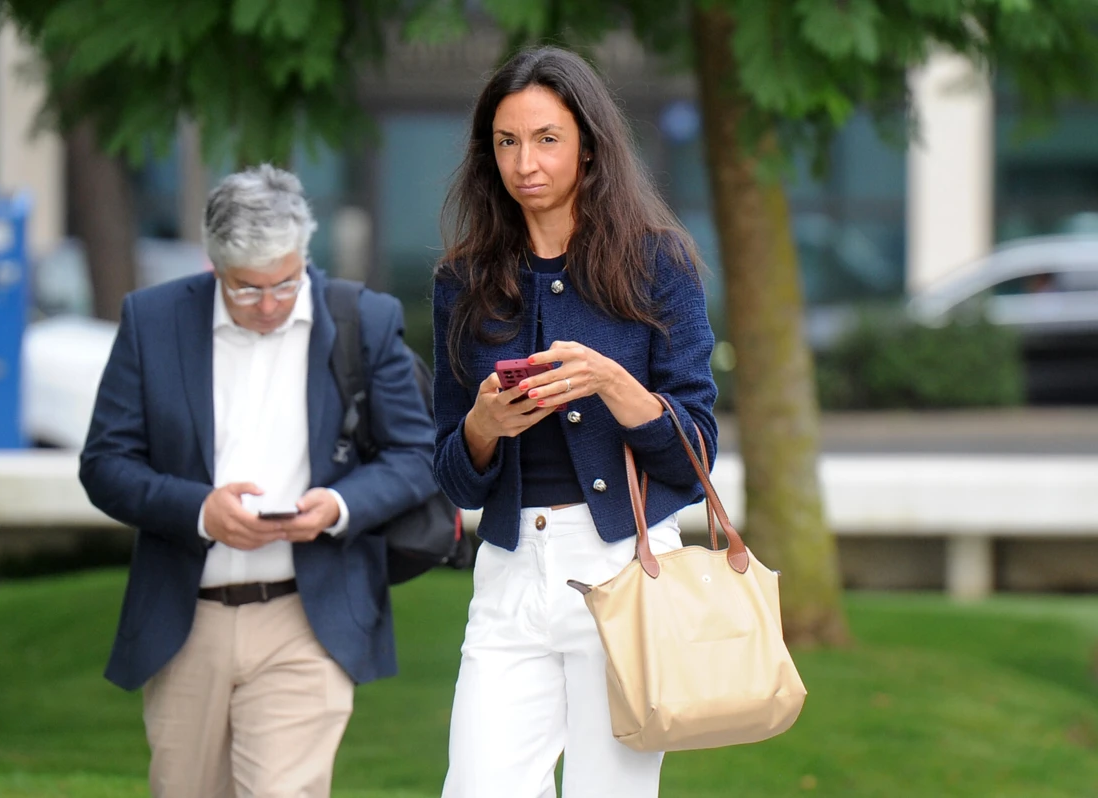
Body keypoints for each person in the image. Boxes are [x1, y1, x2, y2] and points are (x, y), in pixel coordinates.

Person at [79, 164, 438, 798]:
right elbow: (105, 464)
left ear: (304, 254)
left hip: (307, 616)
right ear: (215, 266)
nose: (269, 305)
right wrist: (200, 511)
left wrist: (339, 505)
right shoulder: (153, 320)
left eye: (285, 284)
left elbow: (417, 455)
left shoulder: (364, 319)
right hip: (186, 619)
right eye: (247, 289)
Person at [431, 47, 720, 798]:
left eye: (546, 139)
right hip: (508, 570)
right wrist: (484, 425)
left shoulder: (658, 263)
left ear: (589, 145)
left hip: (626, 564)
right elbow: (453, 475)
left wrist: (616, 385)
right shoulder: (462, 279)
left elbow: (695, 456)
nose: (524, 162)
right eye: (507, 141)